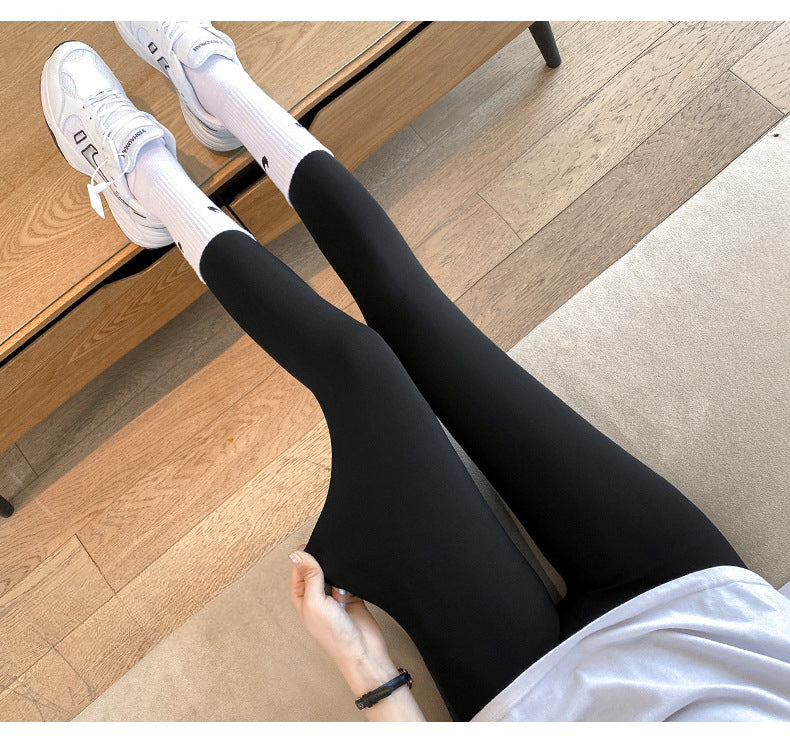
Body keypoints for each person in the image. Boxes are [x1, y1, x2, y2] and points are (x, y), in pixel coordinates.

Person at [41, 22, 790, 722]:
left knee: (365, 368)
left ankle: (147, 183)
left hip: (527, 697)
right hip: (714, 630)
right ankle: (218, 89)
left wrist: (370, 676)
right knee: (418, 318)